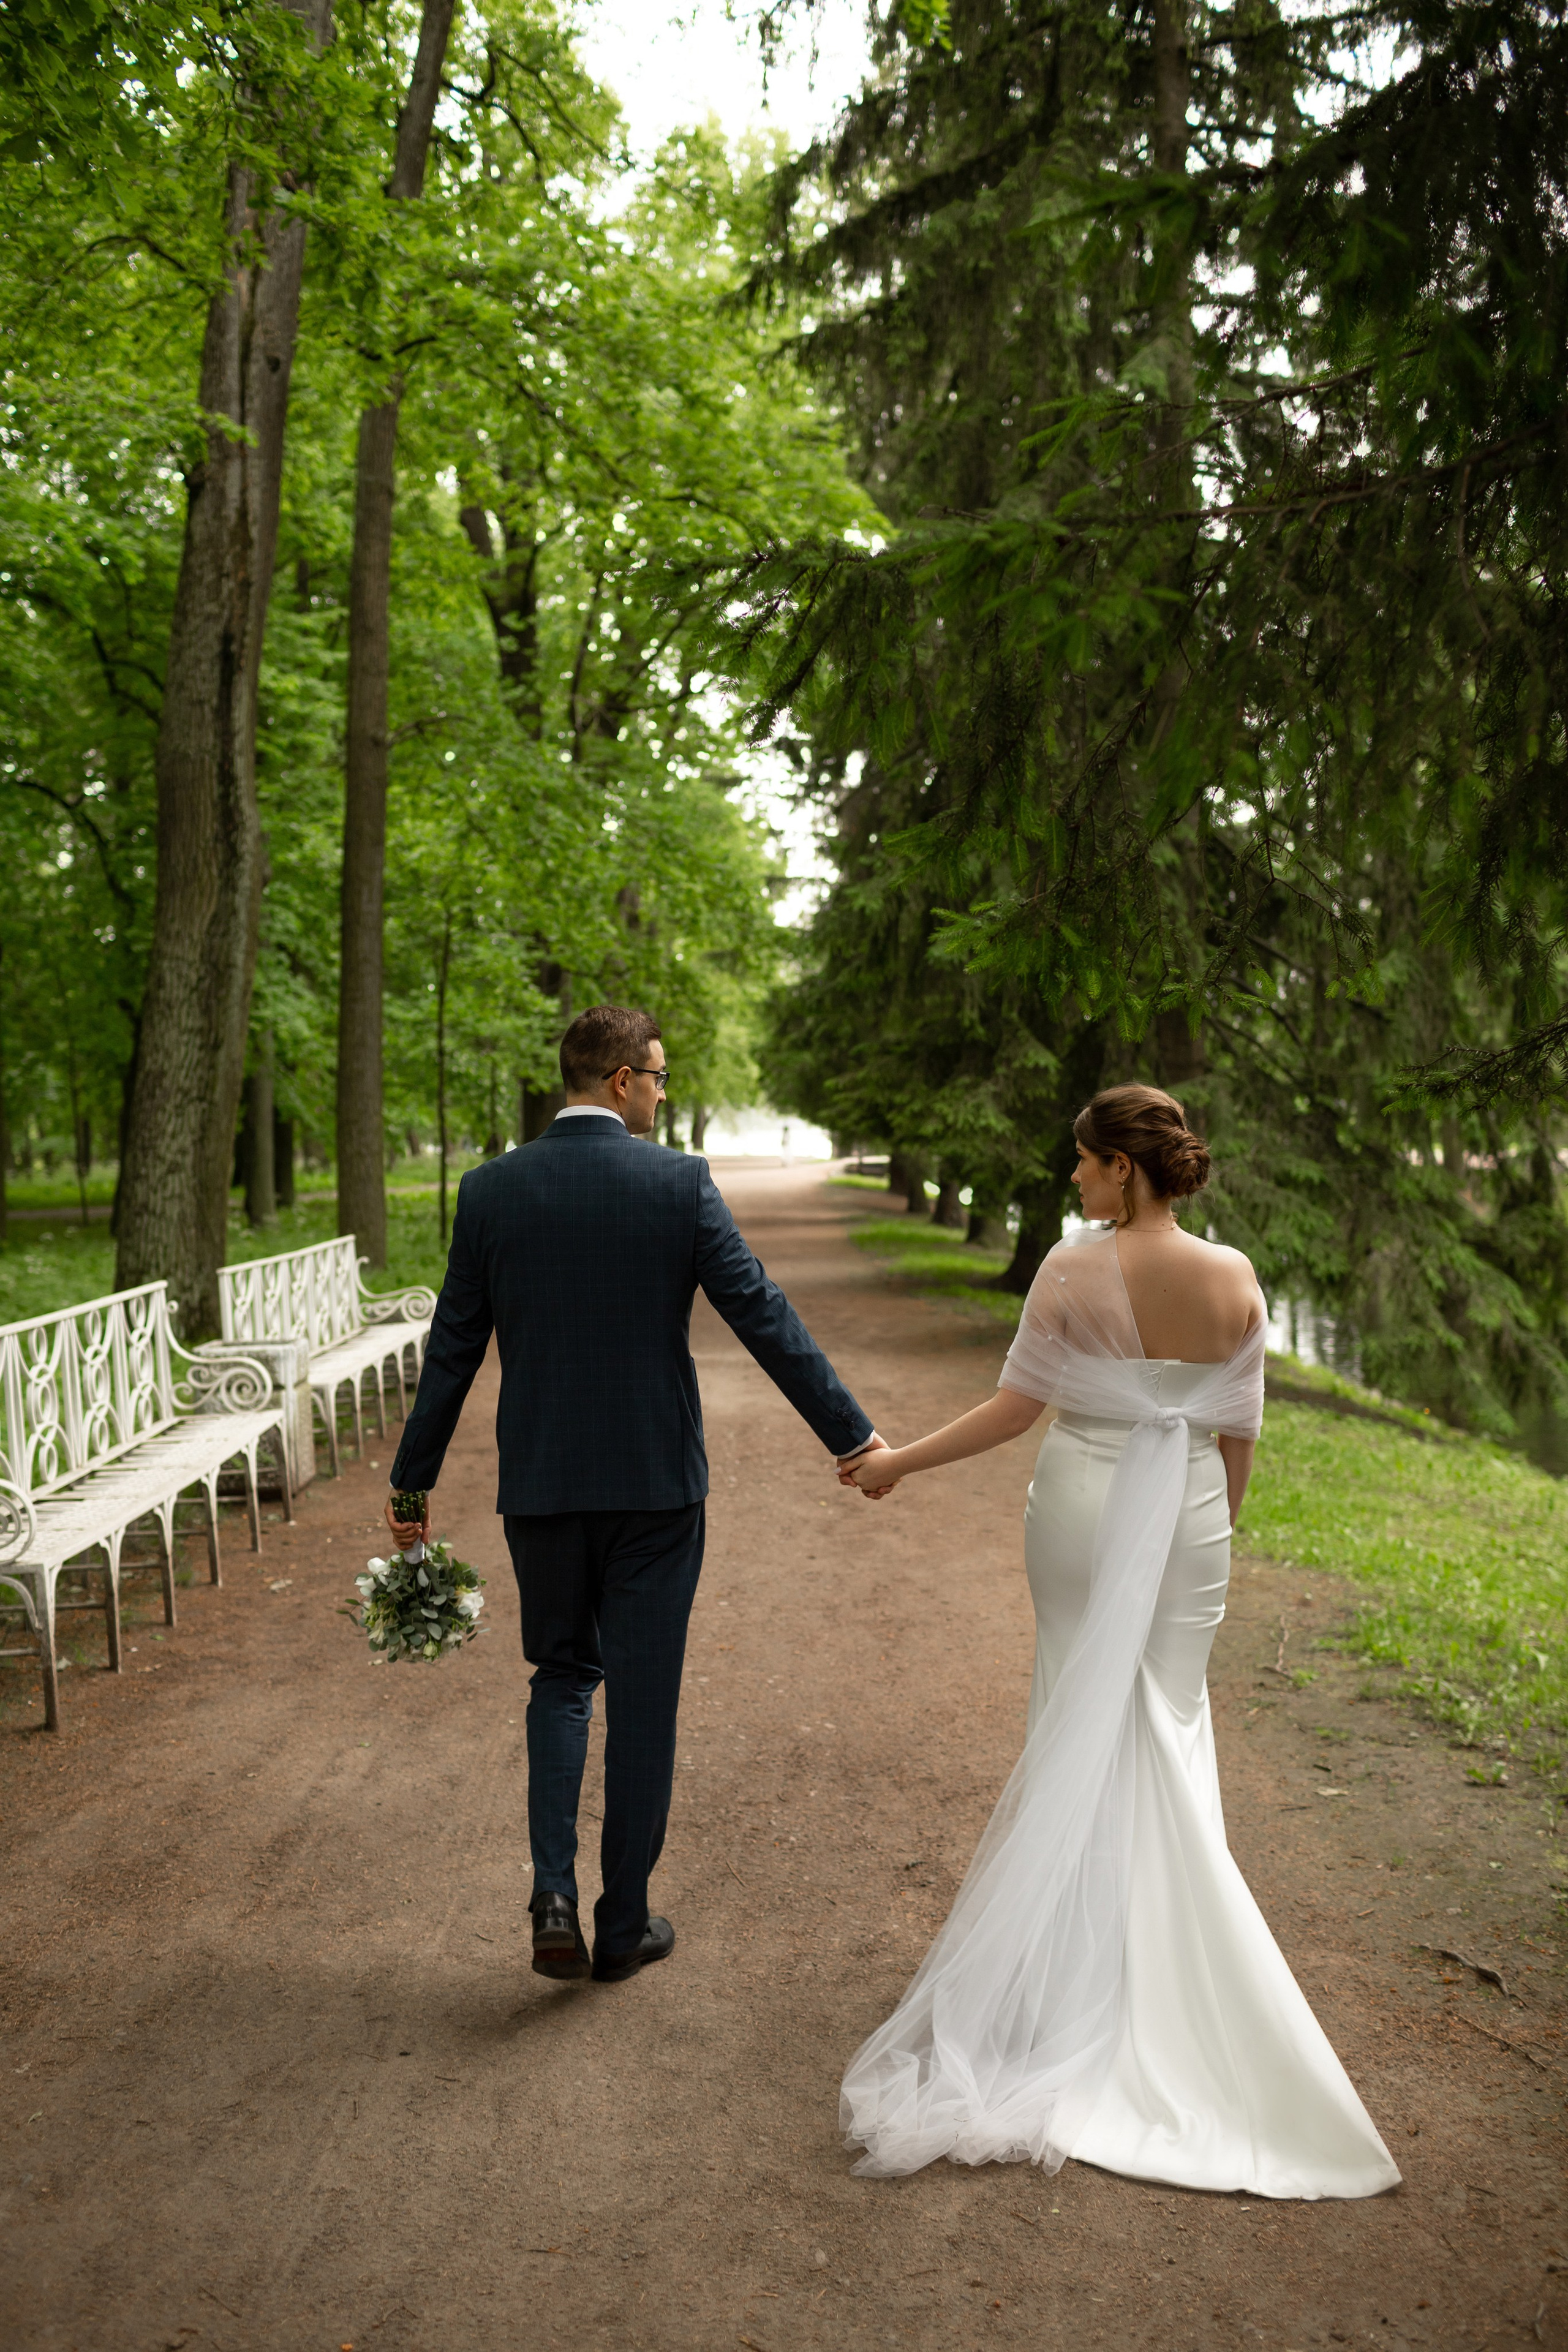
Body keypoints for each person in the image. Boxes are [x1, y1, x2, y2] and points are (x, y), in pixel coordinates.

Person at [842, 1084, 1400, 2199]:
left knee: (1078, 1715)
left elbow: (1016, 1411)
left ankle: (1070, 1975)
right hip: (1190, 1514)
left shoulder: (1069, 1268)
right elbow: (1239, 1433)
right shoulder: (1235, 1276)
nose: (1075, 1177)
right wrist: (1208, 1529)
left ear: (1124, 1170)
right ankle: (1175, 1973)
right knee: (1167, 1717)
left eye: (1086, 1161)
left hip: (1084, 1506)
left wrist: (897, 1462)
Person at [385, 1003, 884, 1985]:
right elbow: (762, 1315)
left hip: (543, 1484)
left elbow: (453, 1349)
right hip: (656, 1488)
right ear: (621, 1080)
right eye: (656, 1076)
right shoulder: (678, 1184)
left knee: (562, 1677)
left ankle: (552, 1894)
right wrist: (852, 1435)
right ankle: (623, 1926)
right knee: (643, 1703)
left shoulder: (491, 1191)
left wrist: (412, 1481)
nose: (660, 1092)